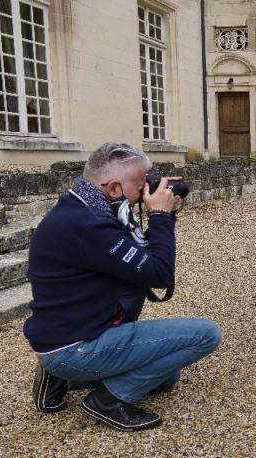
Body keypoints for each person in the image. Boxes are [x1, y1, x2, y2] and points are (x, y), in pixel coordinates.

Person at [24, 143, 222, 432]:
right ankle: (108, 400)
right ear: (114, 188)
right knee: (206, 335)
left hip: (68, 334)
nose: (144, 193)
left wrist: (157, 212)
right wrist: (161, 217)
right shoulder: (90, 227)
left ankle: (60, 378)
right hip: (77, 345)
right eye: (140, 186)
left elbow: (139, 261)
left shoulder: (83, 206)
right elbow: (159, 274)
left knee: (168, 376)